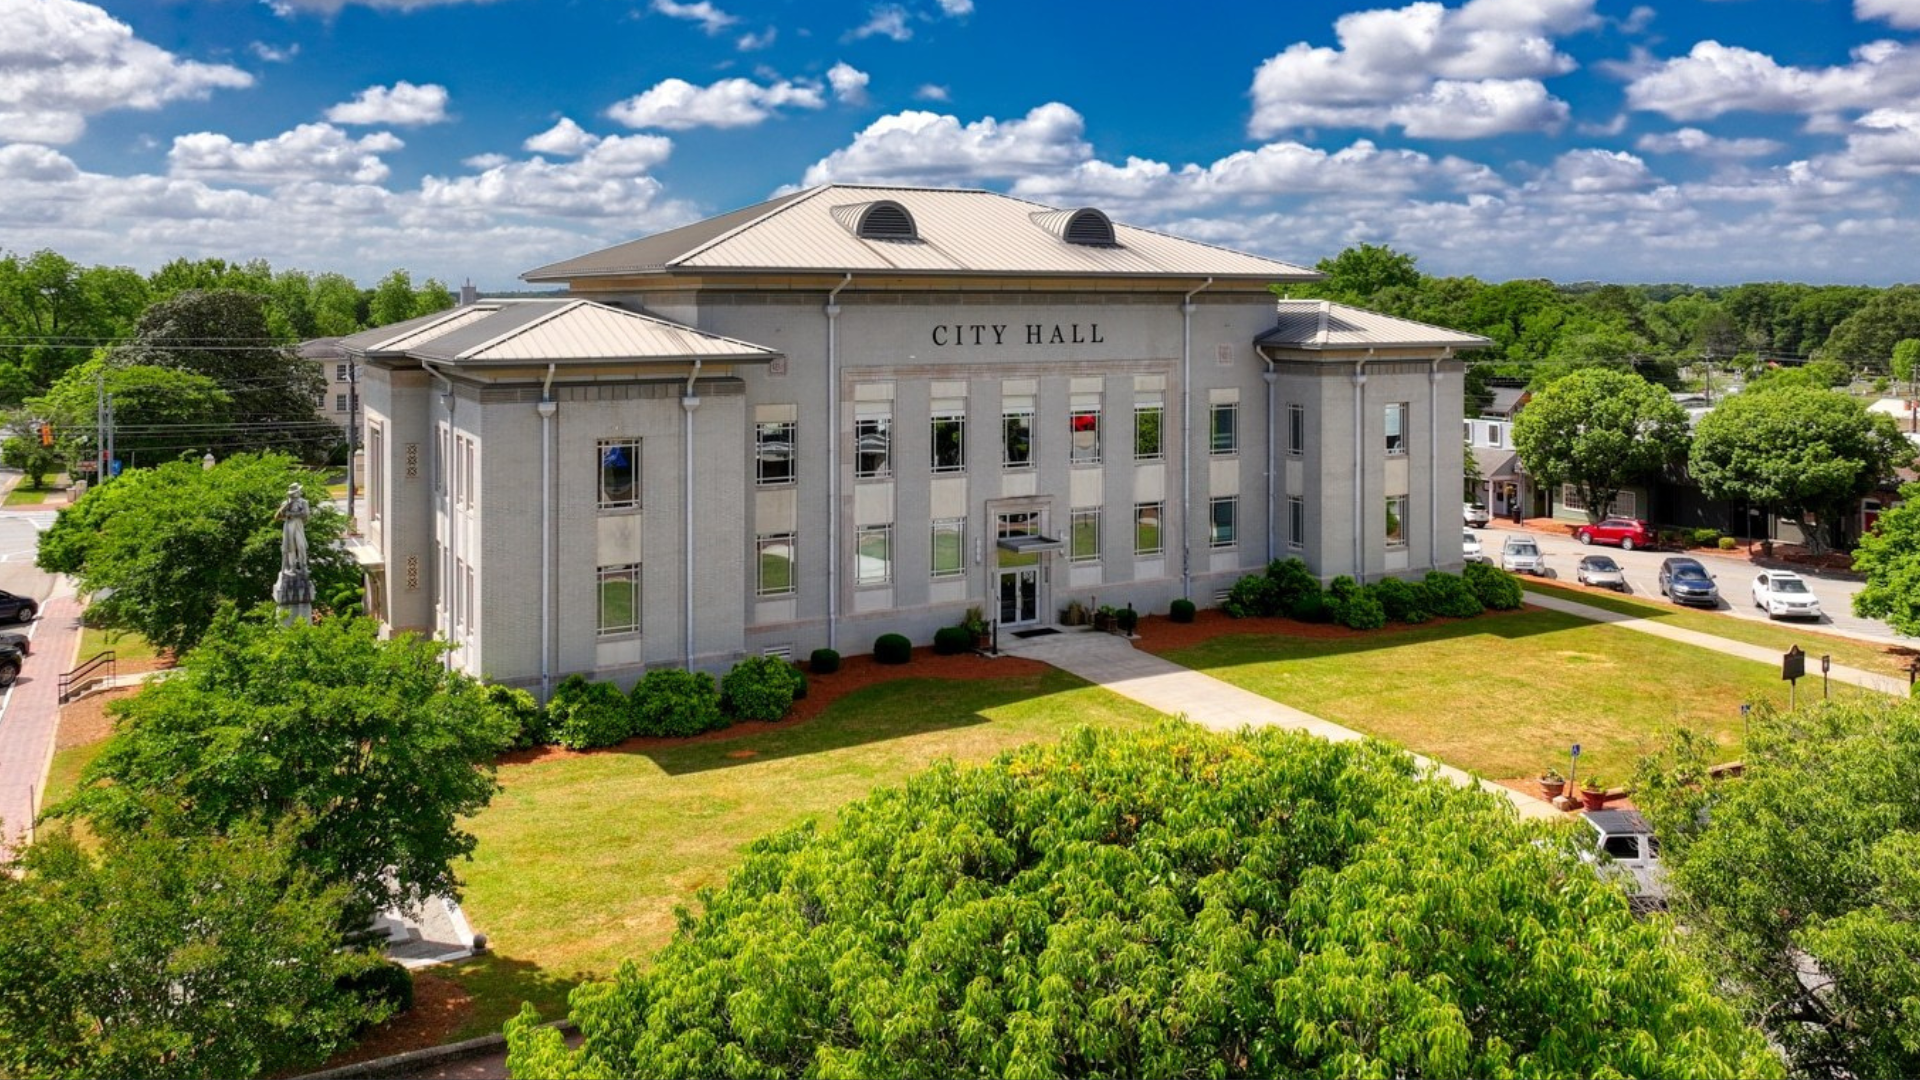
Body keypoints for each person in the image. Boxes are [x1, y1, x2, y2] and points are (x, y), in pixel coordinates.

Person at [274, 482, 310, 574]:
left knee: (301, 546)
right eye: (298, 491)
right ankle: (292, 567)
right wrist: (286, 507)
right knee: (290, 547)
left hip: (298, 525)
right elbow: (278, 516)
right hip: (289, 525)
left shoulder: (303, 502)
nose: (300, 492)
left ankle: (303, 566)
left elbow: (305, 513)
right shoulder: (286, 502)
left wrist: (291, 514)